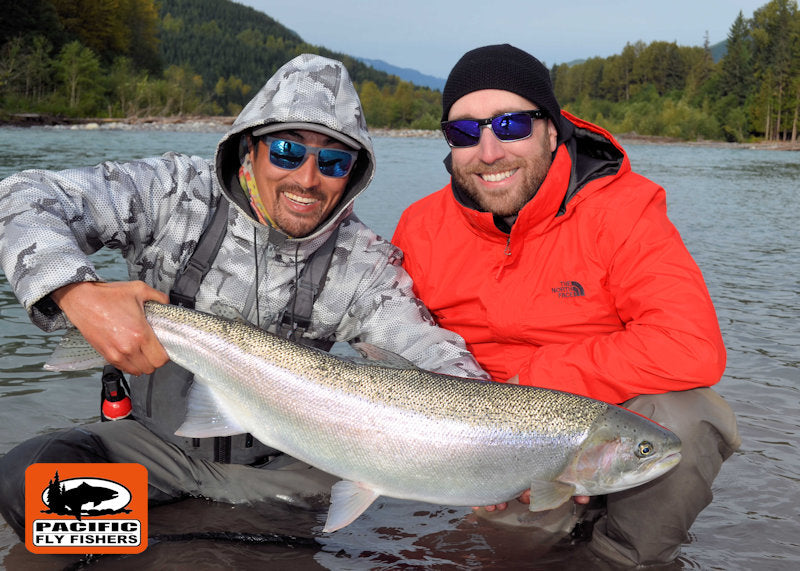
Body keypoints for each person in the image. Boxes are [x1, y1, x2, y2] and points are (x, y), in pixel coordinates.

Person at [0, 53, 488, 541]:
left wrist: (505, 454)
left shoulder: (364, 265)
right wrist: (75, 291)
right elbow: (22, 194)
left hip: (282, 474)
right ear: (249, 148)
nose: (307, 179)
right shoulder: (174, 193)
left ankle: (188, 542)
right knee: (29, 488)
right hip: (152, 448)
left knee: (269, 548)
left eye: (334, 161)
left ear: (353, 174)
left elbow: (435, 360)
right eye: (287, 152)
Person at [392, 44, 741, 567]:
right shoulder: (419, 226)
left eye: (510, 125)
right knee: (505, 554)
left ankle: (624, 558)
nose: (489, 151)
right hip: (491, 442)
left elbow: (690, 345)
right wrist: (459, 457)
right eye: (464, 132)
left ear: (552, 130)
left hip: (605, 426)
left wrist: (536, 384)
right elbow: (398, 355)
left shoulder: (624, 209)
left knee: (688, 417)